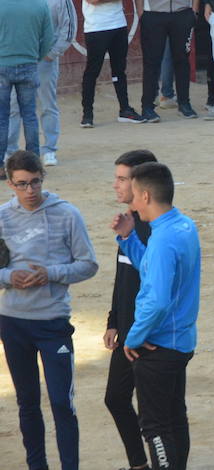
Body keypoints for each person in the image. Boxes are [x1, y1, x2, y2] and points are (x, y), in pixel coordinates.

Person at [0, 150, 98, 470]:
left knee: (61, 402)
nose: (30, 191)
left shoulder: (66, 214)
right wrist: (7, 276)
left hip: (52, 321)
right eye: (22, 184)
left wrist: (51, 273)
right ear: (10, 183)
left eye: (35, 182)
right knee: (27, 403)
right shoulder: (1, 218)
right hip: (13, 321)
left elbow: (88, 264)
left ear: (43, 178)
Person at [111, 161, 200, 470]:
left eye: (134, 195)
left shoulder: (163, 239)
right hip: (180, 341)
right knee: (175, 418)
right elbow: (151, 266)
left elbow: (157, 300)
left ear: (146, 196)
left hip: (158, 346)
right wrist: (128, 239)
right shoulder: (182, 226)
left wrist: (133, 337)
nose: (131, 203)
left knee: (155, 428)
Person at [0, 0, 51, 158]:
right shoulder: (38, 1)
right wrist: (36, 56)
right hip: (28, 63)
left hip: (2, 65)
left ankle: (0, 163)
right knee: (29, 115)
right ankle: (33, 162)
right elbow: (48, 37)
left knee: (2, 118)